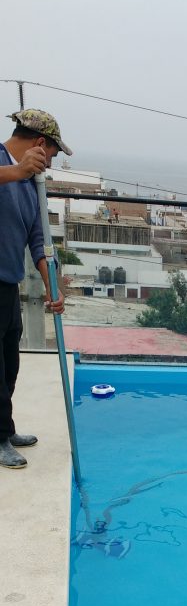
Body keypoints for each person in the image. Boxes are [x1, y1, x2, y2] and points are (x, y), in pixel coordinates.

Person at [0, 108, 72, 469]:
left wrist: (51, 286)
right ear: (40, 143)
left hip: (7, 282)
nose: (51, 164)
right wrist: (16, 172)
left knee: (9, 363)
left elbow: (38, 240)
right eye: (53, 155)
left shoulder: (31, 185)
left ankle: (4, 428)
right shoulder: (6, 165)